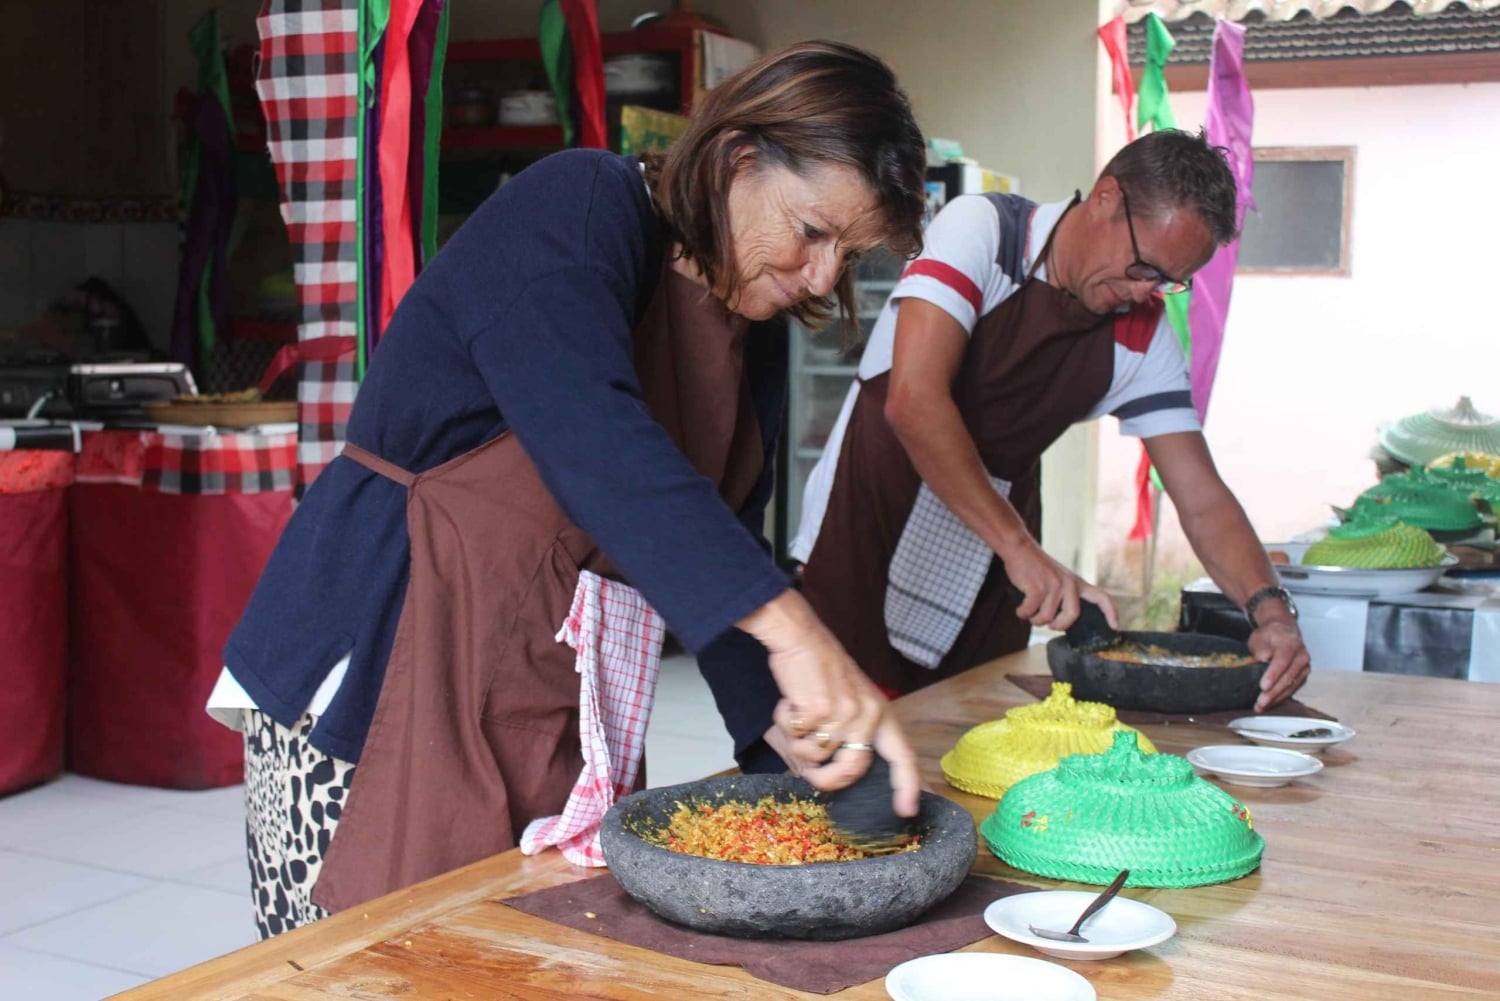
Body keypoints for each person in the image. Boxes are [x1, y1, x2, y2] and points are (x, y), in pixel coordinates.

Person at [206, 40, 928, 938]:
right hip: (384, 652)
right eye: (814, 233)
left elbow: (723, 531)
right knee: (352, 963)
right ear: (740, 157)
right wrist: (795, 628)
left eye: (848, 256)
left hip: (544, 693)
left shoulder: (755, 325)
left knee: (524, 957)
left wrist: (780, 733)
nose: (822, 276)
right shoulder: (582, 205)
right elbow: (587, 424)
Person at [773, 128, 1310, 720]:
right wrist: (1021, 549)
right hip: (870, 514)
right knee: (847, 739)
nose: (1142, 292)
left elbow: (1202, 499)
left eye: (1167, 281)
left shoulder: (1143, 334)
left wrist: (1270, 611)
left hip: (991, 557)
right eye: (1142, 267)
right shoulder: (985, 230)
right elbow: (915, 401)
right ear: (1106, 199)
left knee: (969, 737)